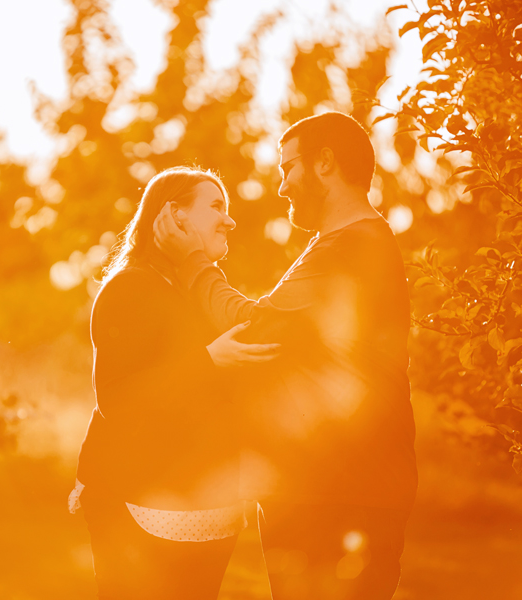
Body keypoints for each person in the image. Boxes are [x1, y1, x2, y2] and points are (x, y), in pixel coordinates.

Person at [153, 112, 418, 600]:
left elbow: (257, 328)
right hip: (335, 489)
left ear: (324, 164)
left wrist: (193, 261)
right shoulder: (339, 243)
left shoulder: (352, 246)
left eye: (286, 168)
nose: (281, 186)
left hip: (341, 495)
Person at [72, 166, 279, 599]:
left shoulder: (200, 291)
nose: (230, 220)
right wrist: (209, 361)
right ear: (175, 216)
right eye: (216, 206)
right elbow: (117, 398)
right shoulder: (132, 288)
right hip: (143, 505)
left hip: (208, 511)